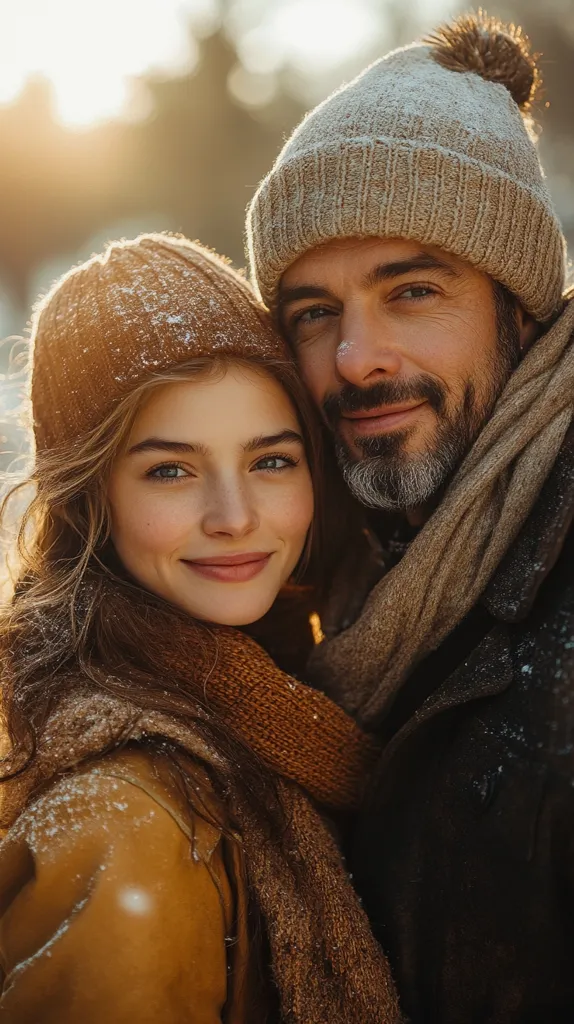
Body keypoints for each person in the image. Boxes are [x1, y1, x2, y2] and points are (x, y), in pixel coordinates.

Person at [246, 11, 574, 1024]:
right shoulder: (302, 581)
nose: (356, 357)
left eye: (413, 290)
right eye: (314, 313)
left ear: (517, 310)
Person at [0, 233, 402, 1024]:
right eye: (170, 470)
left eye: (271, 461)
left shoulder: (283, 710)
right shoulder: (131, 820)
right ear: (89, 497)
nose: (234, 517)